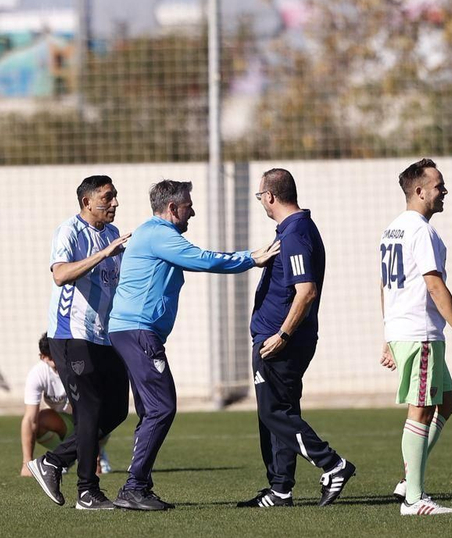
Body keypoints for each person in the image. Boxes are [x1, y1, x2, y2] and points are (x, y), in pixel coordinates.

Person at [106, 179, 278, 511]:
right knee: (162, 407)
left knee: (150, 410)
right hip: (137, 331)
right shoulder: (160, 234)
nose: (193, 211)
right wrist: (250, 259)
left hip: (131, 331)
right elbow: (204, 260)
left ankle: (136, 486)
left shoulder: (152, 233)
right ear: (172, 208)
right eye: (188, 205)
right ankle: (132, 487)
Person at [236, 168, 356, 508]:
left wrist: (282, 335)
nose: (261, 201)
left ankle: (333, 464)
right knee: (279, 412)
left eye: (261, 195)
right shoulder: (290, 231)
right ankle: (280, 489)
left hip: (281, 341)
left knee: (274, 412)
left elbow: (306, 292)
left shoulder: (296, 233)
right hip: (273, 336)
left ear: (270, 197)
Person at [24, 175, 130, 511]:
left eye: (114, 197)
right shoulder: (68, 231)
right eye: (107, 198)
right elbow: (60, 274)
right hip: (71, 335)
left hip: (103, 336)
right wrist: (103, 254)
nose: (114, 203)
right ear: (87, 202)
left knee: (116, 410)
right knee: (89, 409)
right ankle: (87, 491)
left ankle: (53, 462)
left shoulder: (113, 235)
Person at [380, 158, 452, 516]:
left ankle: (410, 479)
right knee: (420, 411)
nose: (444, 190)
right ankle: (414, 499)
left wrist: (388, 334)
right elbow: (433, 284)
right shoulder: (421, 231)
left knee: (446, 402)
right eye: (439, 185)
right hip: (420, 334)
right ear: (419, 191)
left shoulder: (392, 229)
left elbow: (385, 285)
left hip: (407, 331)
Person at [19, 334, 113, 478]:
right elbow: (29, 419)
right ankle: (66, 458)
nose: (56, 361)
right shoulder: (37, 374)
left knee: (101, 415)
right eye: (51, 358)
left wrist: (95, 458)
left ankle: (97, 451)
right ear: (43, 357)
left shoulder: (78, 368)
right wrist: (26, 463)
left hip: (92, 423)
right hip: (68, 425)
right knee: (40, 420)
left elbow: (91, 412)